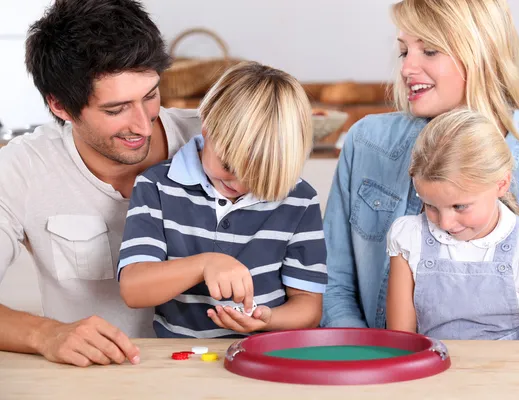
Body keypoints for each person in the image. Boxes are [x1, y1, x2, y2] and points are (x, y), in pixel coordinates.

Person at [321, 0, 519, 341]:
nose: (407, 68)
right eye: (404, 51)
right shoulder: (367, 144)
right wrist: (368, 365)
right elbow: (334, 285)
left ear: (481, 52)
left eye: (430, 51)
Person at [0, 0, 200, 366]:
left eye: (151, 95)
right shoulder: (22, 168)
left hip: (212, 371)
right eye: (116, 109)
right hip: (92, 379)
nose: (143, 124)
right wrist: (44, 334)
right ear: (60, 106)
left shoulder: (212, 141)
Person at [117, 61, 327, 338]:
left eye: (257, 173)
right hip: (181, 363)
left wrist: (269, 320)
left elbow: (309, 306)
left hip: (266, 358)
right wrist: (204, 264)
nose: (238, 183)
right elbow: (134, 289)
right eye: (228, 164)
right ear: (206, 125)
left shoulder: (299, 200)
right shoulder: (157, 186)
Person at [386, 108, 519, 340]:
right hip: (437, 373)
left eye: (459, 207)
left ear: (501, 185)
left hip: (514, 374)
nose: (445, 222)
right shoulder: (408, 237)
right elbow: (400, 341)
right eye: (430, 206)